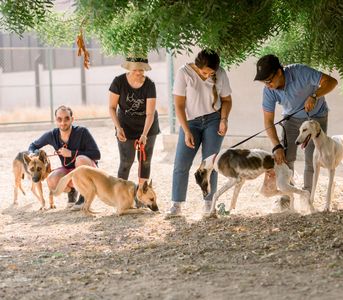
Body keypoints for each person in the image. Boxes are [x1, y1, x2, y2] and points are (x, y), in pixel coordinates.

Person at [254, 54, 338, 212]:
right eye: (264, 82)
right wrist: (277, 146)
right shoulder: (269, 91)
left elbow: (331, 82)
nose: (267, 85)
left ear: (279, 72)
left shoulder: (300, 72)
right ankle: (286, 197)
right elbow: (268, 122)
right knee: (284, 158)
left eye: (269, 80)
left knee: (312, 159)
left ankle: (307, 197)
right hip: (291, 120)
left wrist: (315, 95)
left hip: (316, 117)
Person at [167, 49, 232, 216]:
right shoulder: (184, 73)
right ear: (197, 66)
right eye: (205, 72)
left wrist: (224, 119)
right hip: (190, 122)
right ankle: (176, 205)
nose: (208, 75)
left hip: (214, 120)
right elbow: (179, 105)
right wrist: (186, 130)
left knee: (211, 164)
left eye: (211, 73)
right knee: (181, 163)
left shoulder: (221, 73)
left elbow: (226, 100)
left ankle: (209, 204)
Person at [109, 57, 160, 205]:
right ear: (128, 68)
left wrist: (144, 134)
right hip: (125, 125)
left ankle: (141, 198)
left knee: (145, 161)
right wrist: (118, 128)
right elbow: (112, 107)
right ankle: (121, 197)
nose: (138, 72)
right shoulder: (118, 82)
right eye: (135, 69)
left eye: (141, 69)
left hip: (148, 126)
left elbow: (150, 113)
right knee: (126, 161)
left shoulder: (150, 85)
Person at [28, 105, 101, 209]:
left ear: (72, 119)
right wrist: (33, 153)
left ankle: (84, 196)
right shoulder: (52, 135)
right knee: (51, 180)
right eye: (59, 119)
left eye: (67, 118)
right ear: (56, 121)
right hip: (70, 171)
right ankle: (72, 191)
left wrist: (71, 153)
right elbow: (32, 146)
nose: (63, 122)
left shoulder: (82, 132)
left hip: (88, 170)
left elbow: (97, 154)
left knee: (80, 160)